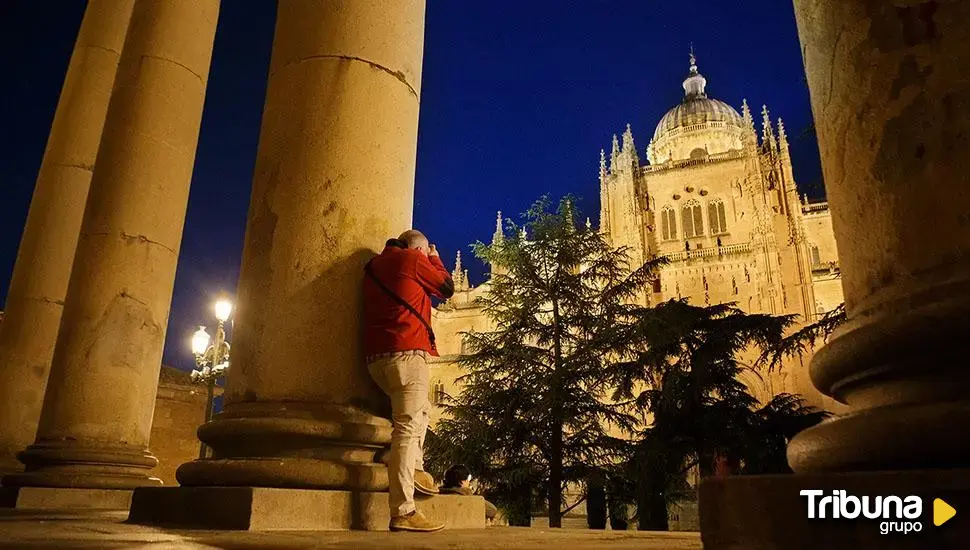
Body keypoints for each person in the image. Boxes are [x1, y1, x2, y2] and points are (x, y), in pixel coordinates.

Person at [363, 230, 455, 532]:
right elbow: (447, 287)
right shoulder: (412, 260)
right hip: (407, 354)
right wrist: (434, 257)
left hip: (376, 361)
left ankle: (408, 464)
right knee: (406, 428)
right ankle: (403, 510)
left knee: (421, 412)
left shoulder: (374, 266)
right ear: (416, 249)